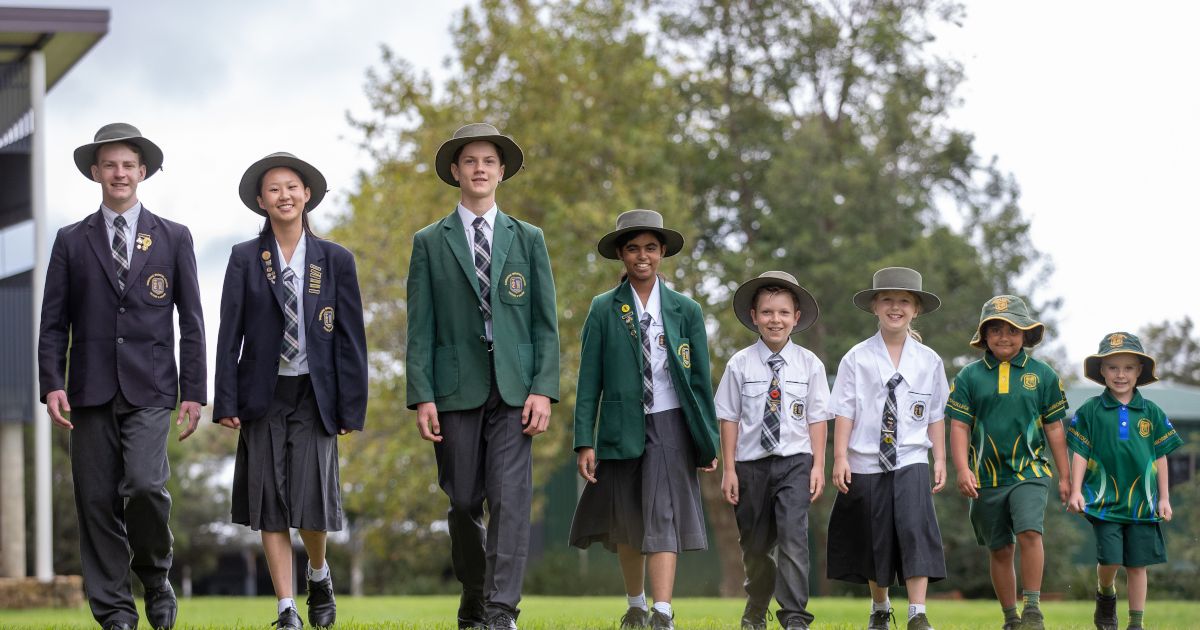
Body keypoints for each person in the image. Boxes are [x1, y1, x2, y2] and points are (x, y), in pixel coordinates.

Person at [38, 122, 205, 630]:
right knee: (95, 501)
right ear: (95, 172)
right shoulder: (70, 240)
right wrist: (52, 382)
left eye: (128, 165)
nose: (119, 173)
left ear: (143, 171)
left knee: (145, 486)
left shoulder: (174, 237)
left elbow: (192, 320)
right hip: (88, 390)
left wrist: (194, 392)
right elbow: (52, 322)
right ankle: (114, 612)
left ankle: (156, 578)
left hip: (151, 388)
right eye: (109, 164)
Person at [406, 123, 560, 630]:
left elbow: (544, 322)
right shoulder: (429, 242)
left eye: (488, 161)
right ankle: (474, 590)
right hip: (454, 389)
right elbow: (420, 327)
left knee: (511, 501)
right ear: (455, 171)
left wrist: (542, 388)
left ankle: (500, 610)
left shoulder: (529, 239)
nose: (479, 169)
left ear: (501, 172)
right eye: (469, 161)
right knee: (464, 501)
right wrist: (422, 396)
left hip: (516, 388)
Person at [214, 152, 368, 630]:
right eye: (274, 189)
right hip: (262, 394)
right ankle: (286, 608)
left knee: (311, 503)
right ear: (261, 201)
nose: (284, 195)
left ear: (307, 196)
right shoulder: (244, 258)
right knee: (270, 503)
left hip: (316, 394)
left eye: (292, 187)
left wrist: (351, 407)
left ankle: (318, 573)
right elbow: (228, 332)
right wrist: (225, 400)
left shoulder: (335, 259)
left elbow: (350, 339)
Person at [569, 209, 719, 630]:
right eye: (633, 248)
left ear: (663, 252)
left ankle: (663, 611)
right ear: (621, 253)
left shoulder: (686, 310)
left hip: (671, 423)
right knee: (628, 521)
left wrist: (707, 440)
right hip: (621, 429)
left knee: (665, 515)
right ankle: (635, 604)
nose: (642, 256)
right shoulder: (603, 309)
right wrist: (585, 439)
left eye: (650, 248)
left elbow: (701, 383)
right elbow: (588, 381)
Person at [827, 267, 949, 630]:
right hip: (865, 461)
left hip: (911, 458)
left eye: (904, 302)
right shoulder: (857, 358)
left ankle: (917, 612)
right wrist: (839, 457)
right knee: (874, 538)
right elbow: (844, 411)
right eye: (888, 301)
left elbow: (936, 414)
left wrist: (939, 457)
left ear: (916, 309)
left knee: (915, 530)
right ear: (875, 307)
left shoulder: (929, 361)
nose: (896, 308)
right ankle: (880, 606)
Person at [946, 295, 1070, 630]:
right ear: (984, 335)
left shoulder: (1042, 375)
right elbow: (959, 425)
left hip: (1029, 471)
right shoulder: (969, 377)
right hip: (985, 477)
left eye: (1013, 329)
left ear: (1026, 334)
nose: (1004, 336)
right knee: (1000, 549)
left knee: (1030, 530)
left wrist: (1065, 476)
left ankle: (1032, 609)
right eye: (996, 329)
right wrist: (962, 469)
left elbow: (1055, 428)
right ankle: (1011, 618)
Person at [715, 270, 829, 630]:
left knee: (794, 541)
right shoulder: (740, 364)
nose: (775, 320)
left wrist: (818, 466)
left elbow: (818, 420)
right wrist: (729, 469)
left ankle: (795, 616)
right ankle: (756, 606)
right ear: (754, 316)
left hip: (796, 463)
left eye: (783, 312)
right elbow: (729, 419)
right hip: (750, 466)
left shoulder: (810, 365)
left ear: (796, 317)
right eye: (767, 312)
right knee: (755, 546)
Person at [1066, 332, 1182, 630]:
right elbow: (1079, 453)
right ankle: (1106, 594)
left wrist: (1165, 498)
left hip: (1143, 504)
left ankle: (1136, 624)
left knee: (1137, 565)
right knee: (1111, 561)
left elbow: (1161, 457)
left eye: (1128, 368)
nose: (1121, 374)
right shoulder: (1090, 410)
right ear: (1102, 371)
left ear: (1139, 371)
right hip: (1103, 502)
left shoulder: (1152, 412)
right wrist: (1076, 490)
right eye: (1113, 367)